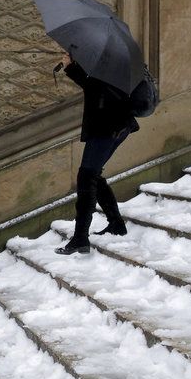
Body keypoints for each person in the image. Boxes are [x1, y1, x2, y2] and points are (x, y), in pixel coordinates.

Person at [56, 53, 139, 255]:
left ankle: (80, 238)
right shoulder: (113, 60)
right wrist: (71, 66)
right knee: (93, 176)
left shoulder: (112, 62)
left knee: (86, 177)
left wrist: (72, 66)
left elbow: (97, 88)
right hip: (113, 126)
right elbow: (93, 86)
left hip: (107, 128)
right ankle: (116, 224)